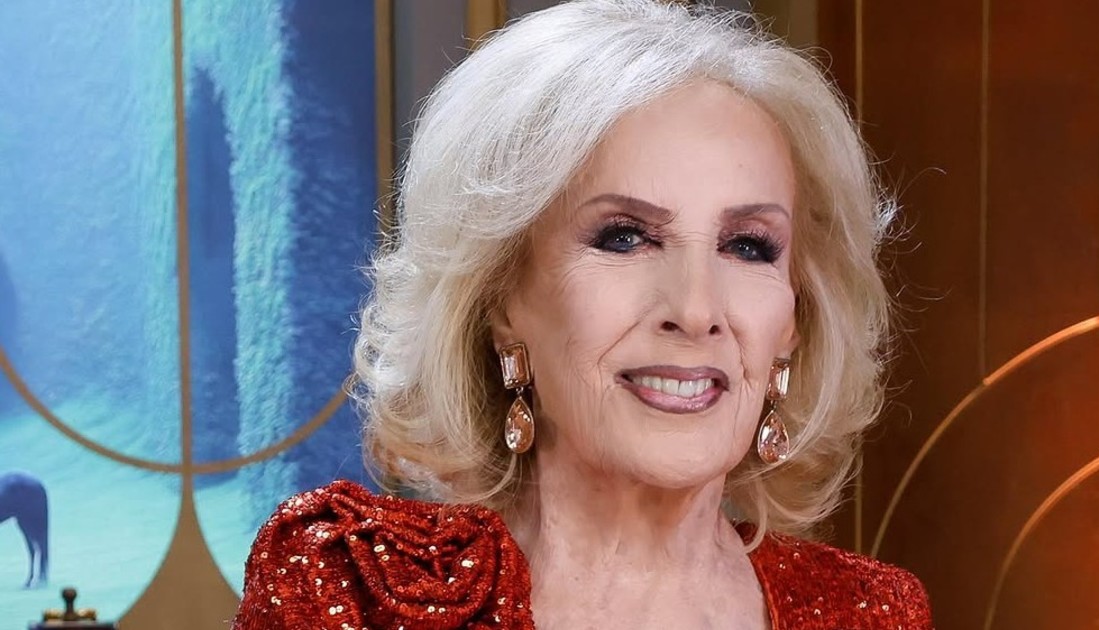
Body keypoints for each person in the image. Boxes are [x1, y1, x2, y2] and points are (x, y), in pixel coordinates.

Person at [232, 1, 932, 628]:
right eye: (624, 238)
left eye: (747, 246)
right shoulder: (351, 590)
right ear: (501, 296)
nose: (695, 311)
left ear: (795, 319)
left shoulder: (870, 615)